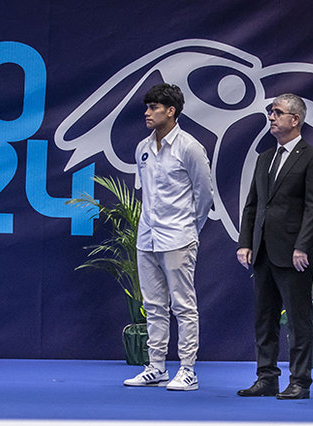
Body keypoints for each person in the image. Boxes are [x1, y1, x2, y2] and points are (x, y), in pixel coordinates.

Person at [236, 93, 313, 400]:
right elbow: (252, 205)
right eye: (270, 112)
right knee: (264, 317)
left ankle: (300, 381)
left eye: (277, 112)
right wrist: (246, 242)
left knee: (298, 319)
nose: (271, 117)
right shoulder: (264, 158)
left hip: (294, 255)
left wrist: (303, 246)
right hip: (263, 251)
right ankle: (266, 377)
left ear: (295, 119)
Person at [123, 84, 213, 391]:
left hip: (179, 237)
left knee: (183, 306)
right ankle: (156, 366)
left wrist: (190, 230)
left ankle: (187, 369)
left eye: (153, 108)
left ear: (171, 111)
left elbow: (204, 195)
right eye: (147, 107)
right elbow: (147, 195)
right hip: (147, 237)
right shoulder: (142, 148)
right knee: (154, 304)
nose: (147, 113)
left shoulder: (189, 147)